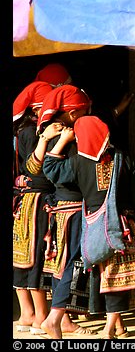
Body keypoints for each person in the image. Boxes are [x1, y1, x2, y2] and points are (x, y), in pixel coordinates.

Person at [43, 116, 135, 339]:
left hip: (93, 224)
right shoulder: (121, 157)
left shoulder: (79, 161)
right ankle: (110, 329)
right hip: (122, 223)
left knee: (100, 274)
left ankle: (107, 326)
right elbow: (134, 192)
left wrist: (59, 142)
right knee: (118, 275)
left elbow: (51, 169)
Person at [36, 85, 95, 338]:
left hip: (60, 208)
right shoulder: (63, 135)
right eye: (84, 111)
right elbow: (45, 169)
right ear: (73, 114)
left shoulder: (57, 132)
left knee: (62, 264)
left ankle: (59, 318)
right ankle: (54, 317)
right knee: (71, 263)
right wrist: (57, 141)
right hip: (70, 208)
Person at [12, 81, 63, 335]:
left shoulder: (21, 130)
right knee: (38, 255)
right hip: (37, 201)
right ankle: (40, 315)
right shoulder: (35, 132)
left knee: (22, 255)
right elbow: (37, 170)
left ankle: (27, 313)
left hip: (24, 199)